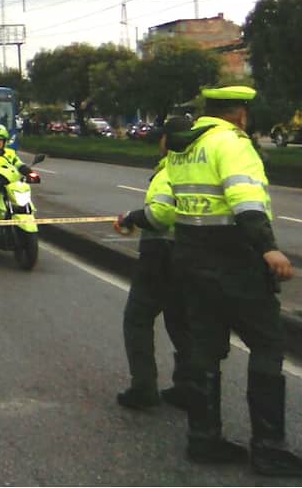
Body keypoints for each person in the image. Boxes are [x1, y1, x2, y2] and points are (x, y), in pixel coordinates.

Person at [165, 85, 302, 477]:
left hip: (191, 258)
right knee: (267, 344)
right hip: (235, 260)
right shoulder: (231, 143)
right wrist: (269, 248)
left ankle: (204, 438)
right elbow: (245, 200)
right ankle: (267, 448)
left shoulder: (185, 146)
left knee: (206, 349)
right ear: (240, 113)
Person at [113, 116, 193, 411]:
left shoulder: (169, 170)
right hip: (193, 254)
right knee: (181, 322)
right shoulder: (201, 168)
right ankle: (190, 386)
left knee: (137, 319)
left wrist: (132, 217)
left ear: (166, 141)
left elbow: (159, 214)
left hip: (160, 255)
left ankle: (143, 389)